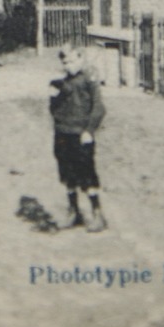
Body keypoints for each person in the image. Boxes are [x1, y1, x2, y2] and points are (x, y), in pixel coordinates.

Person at [49, 49, 107, 232]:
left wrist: (89, 131)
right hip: (63, 133)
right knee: (67, 174)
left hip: (81, 134)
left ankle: (97, 214)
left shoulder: (89, 79)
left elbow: (99, 108)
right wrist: (55, 95)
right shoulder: (59, 82)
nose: (69, 66)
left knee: (86, 174)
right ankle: (74, 212)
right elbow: (54, 109)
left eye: (72, 61)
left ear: (80, 59)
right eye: (65, 63)